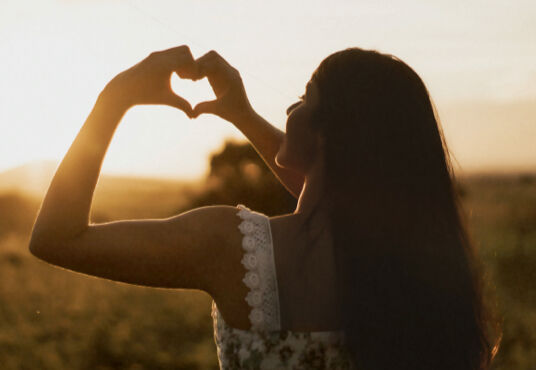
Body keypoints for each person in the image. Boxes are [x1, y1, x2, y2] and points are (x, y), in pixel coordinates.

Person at [29, 45, 501, 369]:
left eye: (302, 99)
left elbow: (57, 237)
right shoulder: (414, 267)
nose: (290, 110)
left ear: (330, 135)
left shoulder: (234, 250)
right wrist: (242, 113)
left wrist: (117, 96)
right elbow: (336, 191)